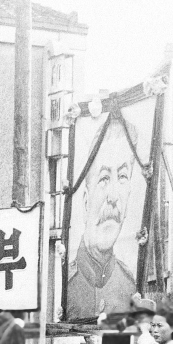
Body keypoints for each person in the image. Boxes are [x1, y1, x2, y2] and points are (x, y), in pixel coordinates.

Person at [67, 119, 139, 318]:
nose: (114, 197)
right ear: (85, 201)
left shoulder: (129, 286)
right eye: (104, 179)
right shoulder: (62, 285)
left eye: (123, 176)